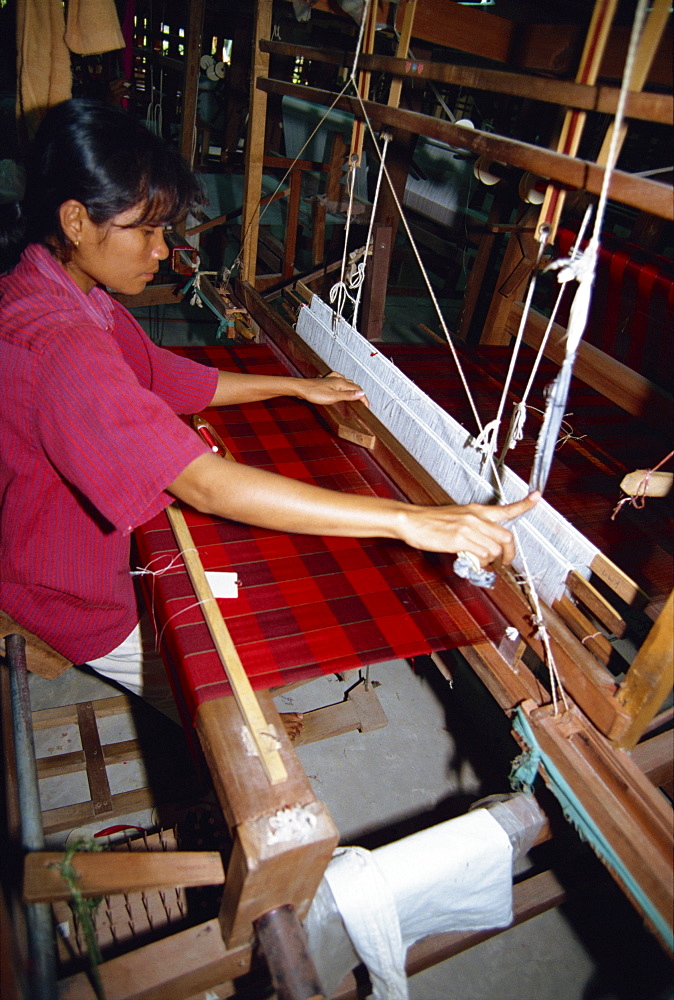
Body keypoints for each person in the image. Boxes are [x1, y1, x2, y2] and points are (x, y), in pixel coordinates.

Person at [0, 99, 538, 732]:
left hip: (57, 540)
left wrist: (295, 387)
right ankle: (242, 737)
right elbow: (202, 482)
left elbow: (165, 378)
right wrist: (413, 521)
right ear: (77, 220)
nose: (163, 250)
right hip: (70, 589)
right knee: (225, 710)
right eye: (146, 231)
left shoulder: (59, 287)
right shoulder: (61, 345)